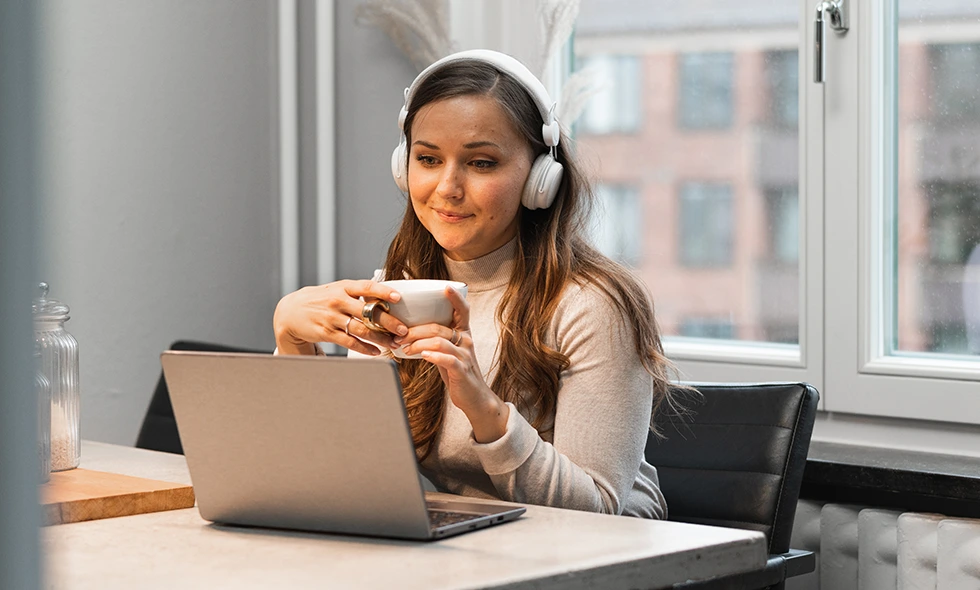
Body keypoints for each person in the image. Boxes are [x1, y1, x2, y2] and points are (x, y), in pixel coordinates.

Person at [273, 49, 679, 519]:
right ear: (404, 168)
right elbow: (335, 468)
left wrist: (485, 410)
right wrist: (291, 341)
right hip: (468, 548)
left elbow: (598, 511)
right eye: (427, 159)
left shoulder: (591, 305)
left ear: (539, 179)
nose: (447, 187)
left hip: (603, 561)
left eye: (481, 163)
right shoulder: (401, 288)